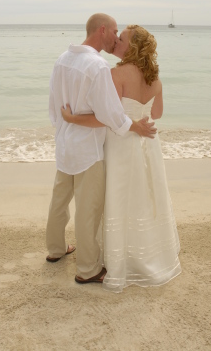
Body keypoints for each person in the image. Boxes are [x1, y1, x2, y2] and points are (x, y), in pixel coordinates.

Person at [61, 25, 181, 292]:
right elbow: (157, 114)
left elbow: (108, 117)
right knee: (146, 197)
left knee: (120, 197)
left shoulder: (116, 75)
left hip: (121, 145)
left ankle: (120, 259)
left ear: (132, 47)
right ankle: (150, 255)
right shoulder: (156, 78)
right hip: (148, 144)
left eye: (122, 39)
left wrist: (71, 119)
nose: (116, 41)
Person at [46, 14, 156, 285]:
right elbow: (111, 114)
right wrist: (135, 127)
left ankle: (55, 250)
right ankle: (87, 269)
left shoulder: (62, 59)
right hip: (88, 149)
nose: (117, 38)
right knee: (88, 209)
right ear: (102, 30)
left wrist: (65, 127)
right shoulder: (97, 66)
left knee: (59, 199)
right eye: (115, 31)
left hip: (64, 143)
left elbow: (53, 107)